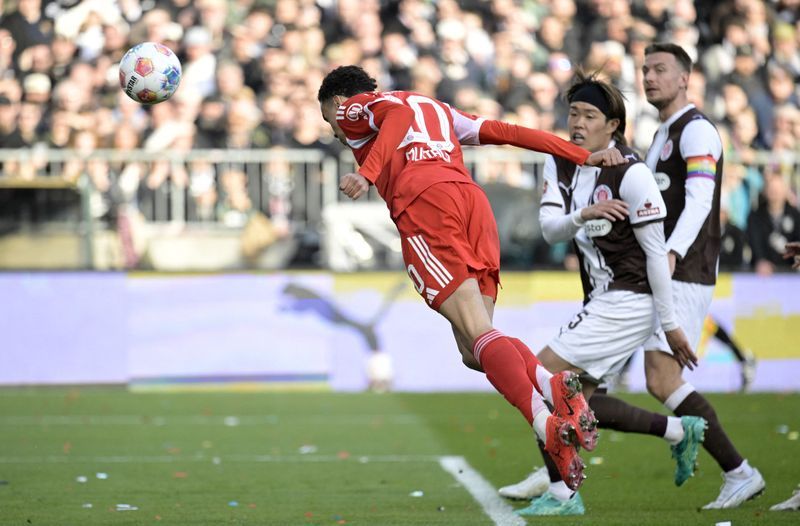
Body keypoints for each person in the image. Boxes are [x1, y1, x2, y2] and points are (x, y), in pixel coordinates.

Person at [317, 65, 626, 490]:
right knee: (472, 347)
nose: (335, 131)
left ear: (336, 102)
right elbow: (507, 131)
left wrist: (366, 173)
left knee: (477, 332)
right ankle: (553, 385)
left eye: (327, 120)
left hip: (427, 205)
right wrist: (580, 154)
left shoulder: (356, 108)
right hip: (472, 205)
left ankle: (545, 425)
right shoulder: (439, 109)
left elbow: (398, 118)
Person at [503, 43, 765, 511]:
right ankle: (570, 470)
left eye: (660, 69)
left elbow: (701, 203)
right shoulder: (658, 134)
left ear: (686, 77)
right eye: (644, 69)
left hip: (672, 270)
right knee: (585, 396)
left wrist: (671, 255)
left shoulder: (694, 132)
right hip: (640, 276)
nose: (648, 77)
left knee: (636, 381)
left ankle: (736, 469)